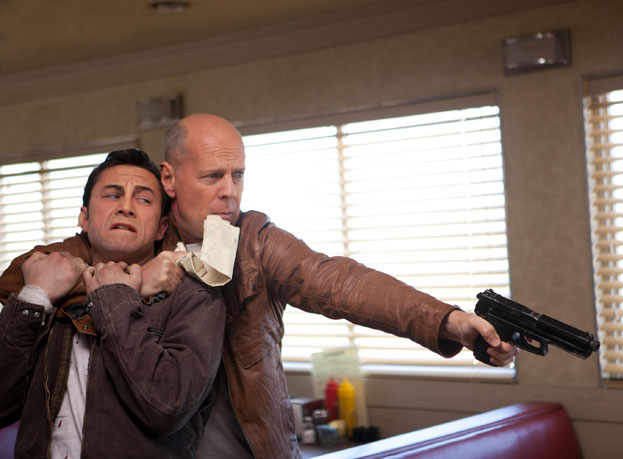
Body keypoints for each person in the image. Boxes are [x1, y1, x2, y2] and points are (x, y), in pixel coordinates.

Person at [155, 113, 519, 458]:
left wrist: (451, 322)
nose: (230, 191)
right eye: (212, 177)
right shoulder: (145, 246)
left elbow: (339, 283)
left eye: (237, 175)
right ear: (169, 178)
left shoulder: (253, 240)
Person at [0, 149, 226, 458]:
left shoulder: (195, 295)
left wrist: (115, 296)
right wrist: (34, 297)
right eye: (113, 195)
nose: (126, 208)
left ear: (161, 228)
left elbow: (167, 407)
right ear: (84, 218)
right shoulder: (48, 285)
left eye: (143, 199)